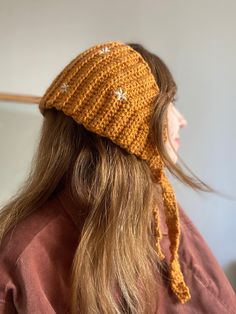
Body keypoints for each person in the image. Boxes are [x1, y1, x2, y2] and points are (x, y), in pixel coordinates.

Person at [0, 40, 235, 314]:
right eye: (170, 102)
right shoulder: (23, 252)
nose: (181, 119)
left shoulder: (159, 215)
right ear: (130, 124)